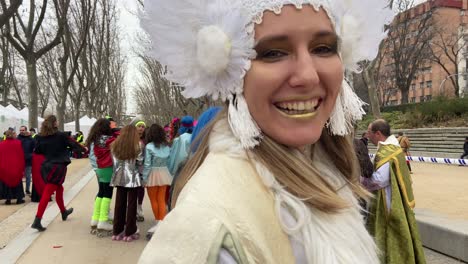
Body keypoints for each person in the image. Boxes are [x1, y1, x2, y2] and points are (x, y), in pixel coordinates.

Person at [139, 0, 392, 263]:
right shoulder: (207, 227)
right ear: (230, 71)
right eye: (273, 53)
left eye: (323, 48)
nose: (308, 76)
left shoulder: (328, 172)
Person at [362, 119, 425, 263]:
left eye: (369, 132)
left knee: (390, 232)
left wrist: (361, 181)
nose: (367, 135)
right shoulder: (394, 147)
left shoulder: (387, 151)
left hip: (388, 201)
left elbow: (379, 180)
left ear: (377, 133)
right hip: (396, 198)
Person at [31, 115, 85, 231]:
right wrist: (84, 149)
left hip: (46, 166)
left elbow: (38, 150)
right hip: (58, 166)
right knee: (47, 192)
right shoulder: (61, 135)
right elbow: (74, 144)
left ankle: (63, 212)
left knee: (59, 188)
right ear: (54, 123)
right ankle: (37, 220)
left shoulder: (40, 137)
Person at [109, 125, 144, 242]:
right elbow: (140, 163)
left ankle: (117, 231)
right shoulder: (138, 145)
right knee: (132, 204)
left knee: (119, 203)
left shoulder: (115, 144)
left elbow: (114, 163)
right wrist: (141, 176)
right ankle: (130, 231)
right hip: (132, 176)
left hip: (119, 176)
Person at [85, 118, 119, 236]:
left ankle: (95, 219)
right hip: (108, 167)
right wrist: (115, 130)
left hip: (100, 168)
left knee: (101, 193)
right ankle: (103, 221)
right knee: (107, 194)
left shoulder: (96, 138)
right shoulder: (109, 139)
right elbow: (119, 138)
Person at [142, 124, 172, 239]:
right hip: (164, 173)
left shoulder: (149, 146)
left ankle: (158, 222)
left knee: (153, 199)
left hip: (152, 174)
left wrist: (144, 179)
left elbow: (147, 164)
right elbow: (169, 162)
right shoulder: (167, 146)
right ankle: (162, 222)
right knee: (161, 199)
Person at [0, 129, 25, 205]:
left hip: (5, 167)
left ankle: (8, 199)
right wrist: (22, 167)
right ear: (13, 135)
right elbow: (21, 155)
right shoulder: (18, 143)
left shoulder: (1, 144)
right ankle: (19, 198)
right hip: (16, 167)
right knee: (17, 183)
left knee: (6, 184)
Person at [134, 120, 147, 222]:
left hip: (142, 167)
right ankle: (132, 210)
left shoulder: (146, 140)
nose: (141, 128)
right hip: (132, 167)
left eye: (143, 126)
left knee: (141, 188)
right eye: (139, 126)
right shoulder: (131, 139)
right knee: (133, 188)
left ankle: (139, 207)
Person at [17, 126, 35, 195]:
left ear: (26, 130)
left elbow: (34, 147)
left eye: (23, 130)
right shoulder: (17, 139)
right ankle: (19, 190)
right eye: (20, 130)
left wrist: (31, 155)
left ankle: (27, 189)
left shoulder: (30, 139)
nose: (21, 131)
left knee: (28, 176)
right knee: (19, 176)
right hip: (19, 161)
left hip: (28, 161)